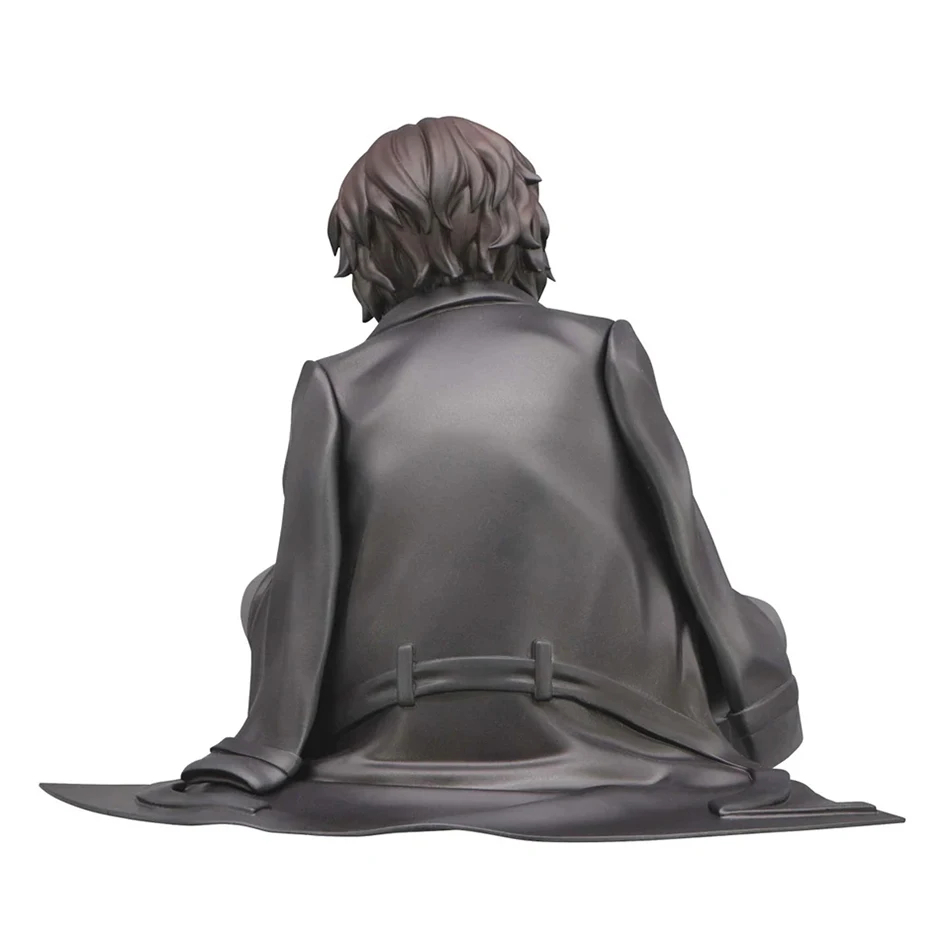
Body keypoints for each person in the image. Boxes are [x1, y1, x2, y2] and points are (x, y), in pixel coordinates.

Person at [43, 117, 899, 839]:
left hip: (387, 742)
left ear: (366, 245)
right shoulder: (600, 348)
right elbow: (687, 548)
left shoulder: (335, 383)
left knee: (263, 593)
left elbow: (308, 590)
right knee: (743, 608)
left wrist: (267, 752)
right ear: (517, 217)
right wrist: (759, 711)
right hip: (621, 738)